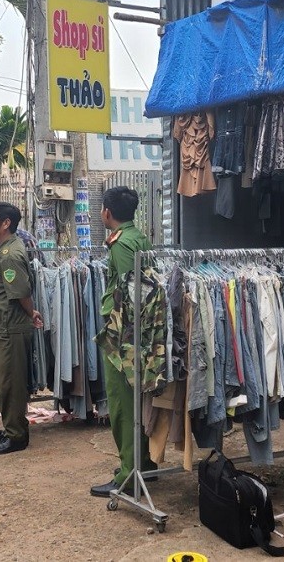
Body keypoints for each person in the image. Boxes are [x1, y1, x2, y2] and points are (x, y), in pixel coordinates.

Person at [90, 186, 159, 498]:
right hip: (137, 334)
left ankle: (129, 474)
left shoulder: (121, 245)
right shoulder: (138, 237)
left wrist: (120, 335)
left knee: (122, 406)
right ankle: (143, 465)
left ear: (107, 212)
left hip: (124, 337)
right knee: (136, 403)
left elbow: (132, 294)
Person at [0, 202, 43, 455]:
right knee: (1, 382)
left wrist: (32, 312)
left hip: (9, 328)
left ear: (6, 224)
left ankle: (17, 436)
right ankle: (11, 428)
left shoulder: (11, 255)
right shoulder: (4, 248)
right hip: (0, 326)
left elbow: (20, 292)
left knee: (11, 385)